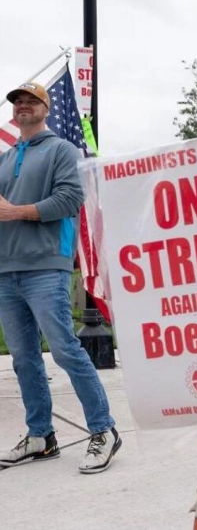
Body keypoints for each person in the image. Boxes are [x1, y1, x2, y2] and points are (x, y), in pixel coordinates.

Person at [0, 81, 121, 474]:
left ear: (46, 108)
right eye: (17, 101)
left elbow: (70, 199)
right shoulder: (5, 158)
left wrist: (17, 212)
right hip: (6, 270)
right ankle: (41, 436)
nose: (22, 106)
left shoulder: (61, 150)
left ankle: (104, 429)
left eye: (30, 100)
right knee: (23, 359)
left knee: (66, 350)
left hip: (46, 267)